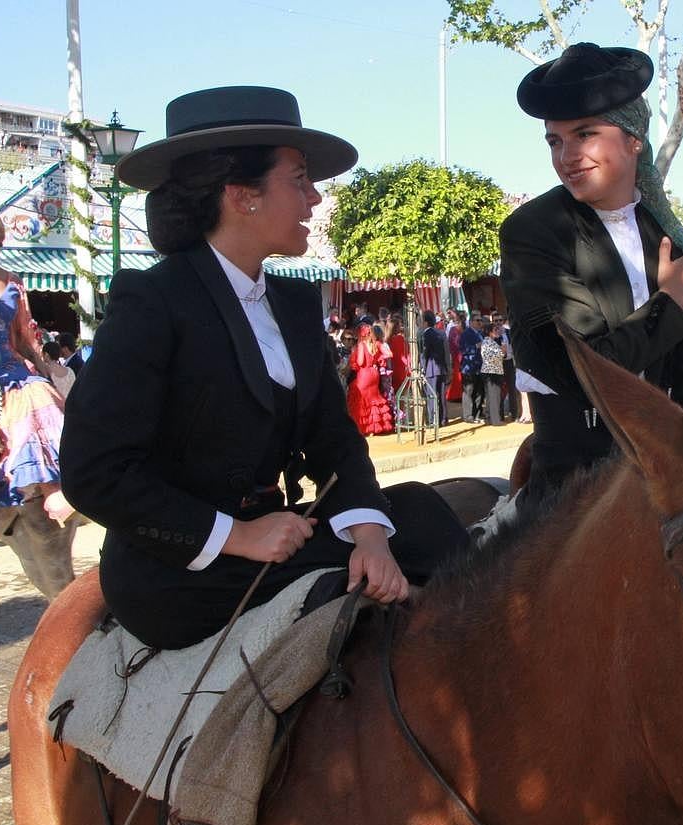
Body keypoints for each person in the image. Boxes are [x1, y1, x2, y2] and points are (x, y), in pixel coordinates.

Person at [59, 86, 467, 650]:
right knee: (342, 605)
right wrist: (238, 535)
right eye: (299, 179)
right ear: (241, 195)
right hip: (183, 566)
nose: (316, 199)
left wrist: (370, 536)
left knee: (421, 513)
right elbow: (93, 473)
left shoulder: (295, 304)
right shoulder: (152, 302)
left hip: (278, 534)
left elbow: (334, 440)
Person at [501, 43, 683, 504]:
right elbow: (588, 373)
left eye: (585, 134)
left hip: (668, 477)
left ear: (633, 139)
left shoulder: (660, 233)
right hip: (576, 495)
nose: (567, 155)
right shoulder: (533, 231)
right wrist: (670, 301)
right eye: (555, 140)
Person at [0, 207, 74, 523]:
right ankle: (44, 488)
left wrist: (43, 366)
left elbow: (23, 333)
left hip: (10, 363)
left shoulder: (14, 282)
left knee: (43, 393)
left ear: (1, 237)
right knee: (21, 399)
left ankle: (61, 481)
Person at [346, 323, 393, 436]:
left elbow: (361, 362)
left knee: (362, 400)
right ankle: (373, 428)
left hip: (364, 374)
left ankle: (364, 427)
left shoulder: (362, 345)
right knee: (374, 399)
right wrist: (378, 358)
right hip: (374, 374)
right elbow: (389, 354)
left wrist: (354, 360)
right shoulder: (376, 344)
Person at [419, 310, 450, 426]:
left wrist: (423, 367)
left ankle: (433, 419)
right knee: (441, 394)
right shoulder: (441, 333)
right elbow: (446, 352)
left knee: (431, 394)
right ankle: (443, 418)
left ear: (426, 322)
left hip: (431, 369)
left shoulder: (426, 334)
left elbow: (425, 353)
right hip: (441, 368)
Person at [458, 312, 485, 423]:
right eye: (477, 320)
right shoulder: (465, 334)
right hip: (469, 367)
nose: (480, 323)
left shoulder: (480, 333)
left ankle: (477, 414)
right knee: (468, 391)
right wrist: (475, 347)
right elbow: (463, 350)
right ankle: (468, 416)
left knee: (479, 392)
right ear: (471, 322)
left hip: (479, 366)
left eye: (480, 320)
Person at [479, 322, 506, 426]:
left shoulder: (491, 342)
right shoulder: (487, 342)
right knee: (494, 397)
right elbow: (492, 356)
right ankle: (495, 420)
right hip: (491, 373)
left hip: (493, 372)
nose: (497, 331)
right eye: (495, 330)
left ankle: (490, 418)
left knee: (491, 397)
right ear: (489, 332)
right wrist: (502, 351)